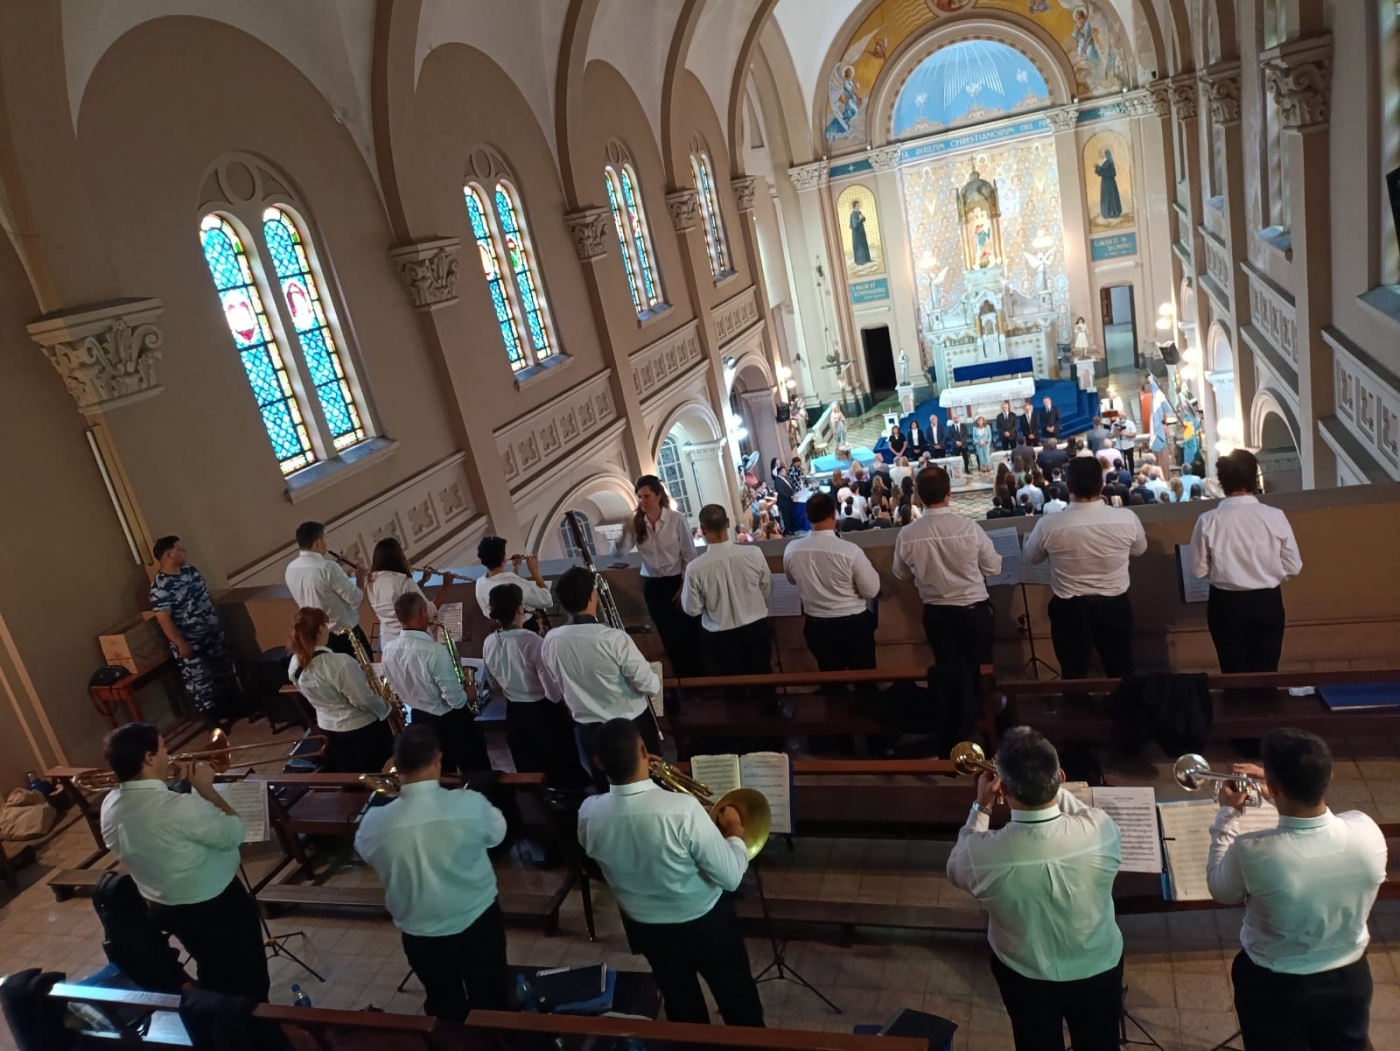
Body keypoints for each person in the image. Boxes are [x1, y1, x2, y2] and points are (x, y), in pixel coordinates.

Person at [1208, 728, 1386, 1051]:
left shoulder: (1252, 852)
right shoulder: (1367, 831)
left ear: (1274, 788)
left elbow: (1221, 889)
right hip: (1350, 978)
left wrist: (1227, 813)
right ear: (1328, 776)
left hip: (1275, 986)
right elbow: (1318, 813)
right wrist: (1280, 784)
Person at [578, 718, 764, 1027]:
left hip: (648, 930)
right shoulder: (683, 809)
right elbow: (731, 877)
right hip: (706, 925)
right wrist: (733, 834)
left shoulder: (587, 813)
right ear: (643, 749)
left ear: (598, 763)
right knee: (739, 1004)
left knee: (683, 1008)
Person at [947, 727, 1123, 1051]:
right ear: (1062, 776)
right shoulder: (1101, 828)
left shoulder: (981, 856)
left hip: (1025, 976)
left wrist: (981, 806)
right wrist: (1045, 784)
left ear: (1007, 793)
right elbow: (1068, 807)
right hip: (1099, 967)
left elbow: (956, 867)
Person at [99, 723, 269, 1001]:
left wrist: (175, 785)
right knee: (249, 978)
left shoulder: (109, 804)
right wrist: (207, 790)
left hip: (164, 904)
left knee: (212, 967)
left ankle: (219, 1020)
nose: (171, 754)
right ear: (149, 758)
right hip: (216, 905)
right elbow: (233, 833)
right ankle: (256, 1031)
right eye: (164, 747)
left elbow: (164, 827)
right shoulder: (177, 807)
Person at [355, 725, 509, 1021]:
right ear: (438, 759)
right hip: (477, 920)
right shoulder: (469, 804)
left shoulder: (375, 823)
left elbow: (366, 852)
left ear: (396, 767)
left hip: (421, 931)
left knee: (442, 1001)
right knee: (491, 998)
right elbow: (497, 835)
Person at [1023, 458, 1147, 679]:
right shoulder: (1127, 518)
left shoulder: (1049, 524)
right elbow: (1139, 550)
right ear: (1101, 484)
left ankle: (1076, 709)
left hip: (1070, 608)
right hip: (1115, 604)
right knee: (1120, 667)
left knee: (1073, 671)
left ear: (1068, 487)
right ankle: (1123, 710)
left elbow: (1031, 558)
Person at [541, 566, 661, 778]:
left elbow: (555, 690)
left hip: (589, 732)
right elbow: (649, 686)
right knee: (647, 781)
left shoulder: (551, 640)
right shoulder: (613, 639)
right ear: (592, 597)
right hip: (629, 727)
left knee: (606, 785)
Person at [1189, 449, 1302, 674]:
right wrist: (1268, 573)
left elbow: (1197, 569)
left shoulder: (1208, 521)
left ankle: (1237, 706)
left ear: (1222, 482)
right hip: (1267, 601)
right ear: (1254, 478)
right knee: (1267, 669)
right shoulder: (1275, 515)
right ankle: (1267, 706)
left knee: (1232, 671)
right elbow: (1293, 565)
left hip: (1225, 604)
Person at [893, 466, 1001, 684]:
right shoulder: (969, 527)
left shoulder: (907, 534)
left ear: (918, 495)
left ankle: (954, 716)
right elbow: (993, 568)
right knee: (981, 670)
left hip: (937, 614)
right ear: (949, 492)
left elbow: (901, 573)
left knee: (947, 673)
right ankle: (984, 714)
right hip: (974, 611)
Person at [480, 584, 587, 788]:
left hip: (515, 714)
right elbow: (551, 690)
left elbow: (493, 684)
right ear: (520, 608)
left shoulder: (489, 642)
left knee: (530, 769)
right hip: (543, 713)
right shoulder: (532, 641)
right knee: (562, 769)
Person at [382, 592, 490, 774]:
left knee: (441, 774)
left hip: (418, 719)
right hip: (451, 722)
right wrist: (470, 691)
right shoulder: (434, 651)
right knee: (477, 770)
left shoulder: (388, 650)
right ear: (423, 611)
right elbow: (456, 701)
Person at [783, 492, 880, 683]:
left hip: (816, 625)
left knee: (832, 682)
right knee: (865, 680)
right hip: (853, 625)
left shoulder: (792, 549)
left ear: (808, 517)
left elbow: (792, 580)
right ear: (833, 515)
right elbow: (871, 590)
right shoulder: (849, 550)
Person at [287, 607, 394, 773]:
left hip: (329, 729)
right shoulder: (339, 663)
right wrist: (386, 709)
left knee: (350, 772)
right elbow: (363, 700)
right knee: (375, 772)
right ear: (321, 628)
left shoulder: (295, 663)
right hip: (361, 730)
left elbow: (305, 692)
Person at [148, 536, 238, 720]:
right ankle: (213, 721)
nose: (184, 552)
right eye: (180, 549)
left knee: (223, 671)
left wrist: (217, 617)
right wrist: (181, 644)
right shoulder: (160, 587)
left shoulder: (190, 571)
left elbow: (205, 596)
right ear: (170, 554)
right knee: (201, 682)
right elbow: (164, 620)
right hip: (191, 639)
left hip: (212, 632)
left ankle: (233, 709)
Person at [682, 505, 773, 682]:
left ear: (702, 529)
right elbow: (767, 589)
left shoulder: (695, 568)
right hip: (756, 628)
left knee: (732, 686)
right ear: (729, 523)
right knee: (763, 679)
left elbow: (692, 609)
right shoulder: (754, 553)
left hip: (720, 636)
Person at [622, 476, 702, 678]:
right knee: (667, 636)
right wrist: (623, 533)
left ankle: (699, 679)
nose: (643, 501)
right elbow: (620, 552)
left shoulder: (676, 519)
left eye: (647, 496)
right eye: (639, 497)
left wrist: (684, 585)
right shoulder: (637, 523)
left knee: (687, 633)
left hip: (677, 581)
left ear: (658, 495)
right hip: (653, 585)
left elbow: (689, 555)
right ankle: (682, 680)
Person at [286, 521, 369, 657]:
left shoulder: (291, 568)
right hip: (344, 637)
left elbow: (316, 584)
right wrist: (360, 578)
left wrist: (337, 569)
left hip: (317, 637)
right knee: (362, 674)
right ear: (318, 542)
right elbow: (356, 600)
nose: (326, 543)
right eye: (324, 538)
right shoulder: (328, 568)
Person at [367, 537, 448, 647]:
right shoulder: (403, 581)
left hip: (389, 643)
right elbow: (429, 611)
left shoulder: (370, 582)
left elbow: (402, 600)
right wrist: (446, 585)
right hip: (413, 643)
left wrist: (422, 582)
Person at [474, 537, 551, 624]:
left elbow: (508, 588)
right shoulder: (514, 582)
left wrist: (515, 568)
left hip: (500, 627)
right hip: (525, 626)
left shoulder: (479, 583)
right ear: (504, 558)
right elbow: (546, 600)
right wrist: (535, 572)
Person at [769, 457, 797, 535]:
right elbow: (781, 491)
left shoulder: (784, 479)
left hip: (789, 500)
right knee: (786, 516)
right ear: (780, 472)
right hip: (784, 501)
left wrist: (792, 494)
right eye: (784, 471)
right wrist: (790, 496)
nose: (785, 472)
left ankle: (791, 528)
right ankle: (788, 530)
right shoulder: (778, 480)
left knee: (790, 515)